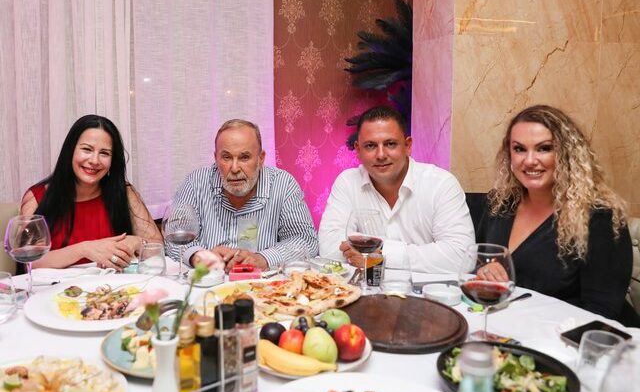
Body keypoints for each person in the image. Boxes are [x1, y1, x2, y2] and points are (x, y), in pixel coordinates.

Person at [476, 104, 639, 325]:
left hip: (579, 338)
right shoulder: (500, 204)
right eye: (519, 149)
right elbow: (477, 262)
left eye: (544, 148)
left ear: (566, 154)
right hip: (513, 327)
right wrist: (485, 270)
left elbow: (601, 311)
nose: (529, 160)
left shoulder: (600, 218)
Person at [318, 106, 475, 274]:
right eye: (370, 145)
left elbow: (463, 257)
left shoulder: (441, 184)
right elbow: (329, 248)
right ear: (358, 150)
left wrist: (382, 253)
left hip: (426, 291)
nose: (381, 155)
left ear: (407, 146)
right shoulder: (347, 182)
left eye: (390, 144)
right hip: (363, 289)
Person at [167, 119, 318, 271]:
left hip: (263, 283)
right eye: (226, 157)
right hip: (209, 279)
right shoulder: (196, 182)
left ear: (260, 158)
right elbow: (174, 236)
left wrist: (263, 259)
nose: (234, 168)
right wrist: (198, 256)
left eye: (244, 157)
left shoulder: (283, 184)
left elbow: (305, 241)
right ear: (216, 158)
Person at [20, 114, 162, 271]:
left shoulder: (125, 192)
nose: (95, 161)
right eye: (87, 149)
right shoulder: (37, 197)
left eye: (104, 153)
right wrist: (85, 249)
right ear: (70, 151)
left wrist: (136, 242)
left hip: (113, 285)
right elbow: (29, 261)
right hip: (58, 287)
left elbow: (158, 247)